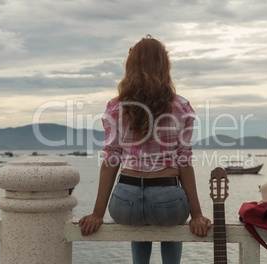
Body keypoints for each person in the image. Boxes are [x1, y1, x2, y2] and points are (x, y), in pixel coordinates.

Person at [79, 35, 211, 264]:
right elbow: (184, 162)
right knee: (168, 223)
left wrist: (97, 214)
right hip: (167, 199)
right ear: (164, 66)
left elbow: (111, 160)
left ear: (130, 66)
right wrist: (197, 215)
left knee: (137, 219)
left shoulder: (114, 107)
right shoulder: (181, 107)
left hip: (124, 202)